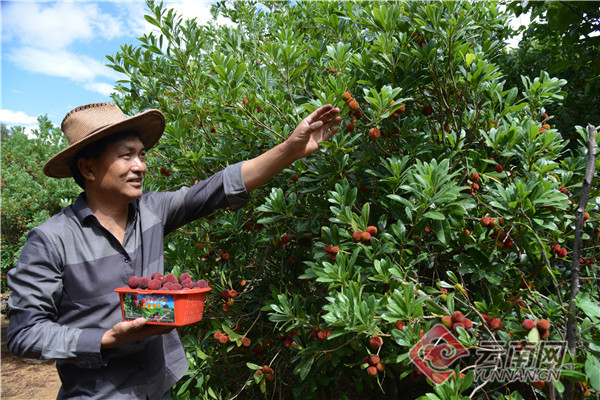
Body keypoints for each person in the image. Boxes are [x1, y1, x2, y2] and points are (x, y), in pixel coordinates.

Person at [6, 102, 341, 399]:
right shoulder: (51, 240)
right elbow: (24, 333)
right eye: (126, 155)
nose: (140, 166)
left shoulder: (153, 211)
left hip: (159, 385)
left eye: (141, 154)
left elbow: (218, 187)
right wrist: (106, 337)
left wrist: (290, 150)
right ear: (88, 169)